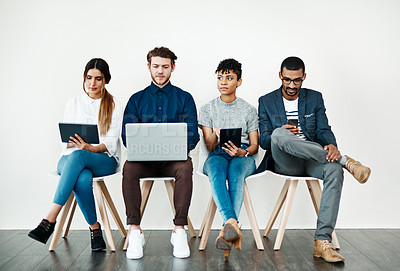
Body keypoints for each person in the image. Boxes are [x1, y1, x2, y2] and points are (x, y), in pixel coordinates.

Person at [257, 56, 371, 262]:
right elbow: (265, 140)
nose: (292, 86)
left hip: (312, 159)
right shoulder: (266, 101)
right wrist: (280, 131)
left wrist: (332, 145)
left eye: (297, 80)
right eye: (287, 80)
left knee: (334, 171)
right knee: (278, 134)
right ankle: (346, 161)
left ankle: (322, 241)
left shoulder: (315, 98)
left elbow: (323, 129)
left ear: (304, 77)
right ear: (280, 76)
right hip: (286, 161)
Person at [28, 58, 123, 251]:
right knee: (82, 176)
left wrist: (92, 148)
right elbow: (65, 137)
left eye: (98, 79)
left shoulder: (114, 104)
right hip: (71, 157)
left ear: (106, 80)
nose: (92, 83)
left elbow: (112, 141)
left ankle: (49, 219)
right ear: (84, 78)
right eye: (89, 78)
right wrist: (74, 142)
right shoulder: (73, 103)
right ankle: (95, 230)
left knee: (79, 158)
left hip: (103, 159)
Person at [122, 46, 199, 259]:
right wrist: (146, 147)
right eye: (155, 66)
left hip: (173, 160)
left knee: (185, 165)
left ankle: (179, 230)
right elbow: (127, 136)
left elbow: (193, 135)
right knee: (129, 167)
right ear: (148, 67)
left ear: (173, 68)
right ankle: (135, 231)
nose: (160, 71)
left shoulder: (185, 98)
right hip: (145, 161)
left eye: (165, 67)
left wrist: (173, 146)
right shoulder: (136, 99)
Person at [199, 59, 259, 259]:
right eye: (220, 78)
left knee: (235, 172)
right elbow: (208, 146)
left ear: (239, 82)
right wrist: (215, 134)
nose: (223, 82)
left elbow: (254, 145)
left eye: (229, 78)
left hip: (242, 154)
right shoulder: (207, 109)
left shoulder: (249, 109)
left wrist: (243, 153)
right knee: (216, 170)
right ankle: (231, 223)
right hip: (217, 152)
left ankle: (228, 226)